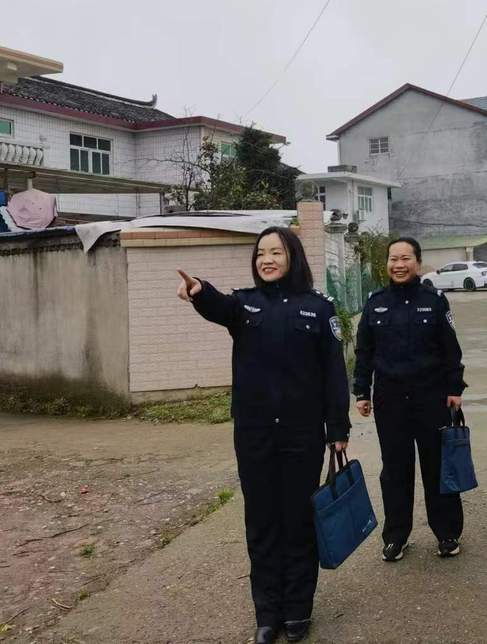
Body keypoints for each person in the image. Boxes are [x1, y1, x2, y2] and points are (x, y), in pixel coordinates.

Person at [177, 226, 350, 644]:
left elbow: (333, 374)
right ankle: (267, 615)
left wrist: (337, 427)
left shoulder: (319, 308)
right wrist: (200, 290)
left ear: (292, 256)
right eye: (260, 254)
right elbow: (219, 307)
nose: (266, 260)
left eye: (275, 252)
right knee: (262, 523)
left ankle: (298, 611)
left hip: (302, 434)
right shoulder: (244, 304)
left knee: (297, 521)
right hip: (254, 434)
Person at [353, 237, 467, 562]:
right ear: (386, 264)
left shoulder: (434, 301)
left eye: (405, 258)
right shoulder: (375, 302)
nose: (398, 265)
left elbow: (450, 351)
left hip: (432, 398)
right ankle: (396, 537)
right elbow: (364, 352)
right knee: (395, 471)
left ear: (417, 262)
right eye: (393, 259)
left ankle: (447, 533)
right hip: (390, 401)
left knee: (437, 468)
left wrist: (454, 389)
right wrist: (362, 391)